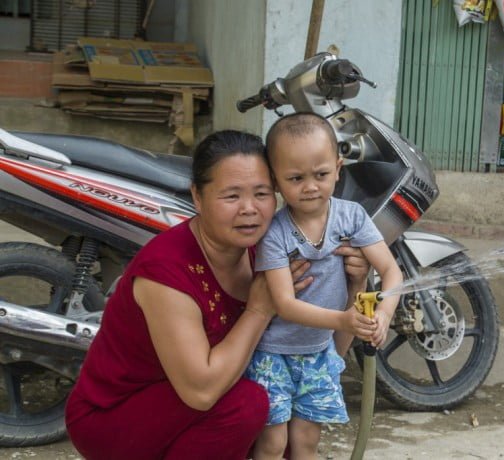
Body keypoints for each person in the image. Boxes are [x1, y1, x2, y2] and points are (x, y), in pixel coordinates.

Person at [64, 130, 374, 460]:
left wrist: (355, 287)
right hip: (117, 416)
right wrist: (259, 310)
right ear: (197, 197)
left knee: (284, 422)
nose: (249, 209)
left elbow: (322, 356)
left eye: (261, 193)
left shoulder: (272, 250)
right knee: (251, 403)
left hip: (198, 403)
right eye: (231, 196)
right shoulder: (167, 270)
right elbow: (201, 392)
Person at [246, 113, 403, 460]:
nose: (310, 186)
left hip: (318, 355)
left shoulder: (352, 217)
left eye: (320, 174)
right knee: (272, 445)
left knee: (306, 443)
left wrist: (385, 313)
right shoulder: (275, 232)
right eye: (295, 178)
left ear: (338, 166)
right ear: (275, 180)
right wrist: (343, 321)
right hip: (273, 354)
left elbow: (392, 271)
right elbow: (284, 305)